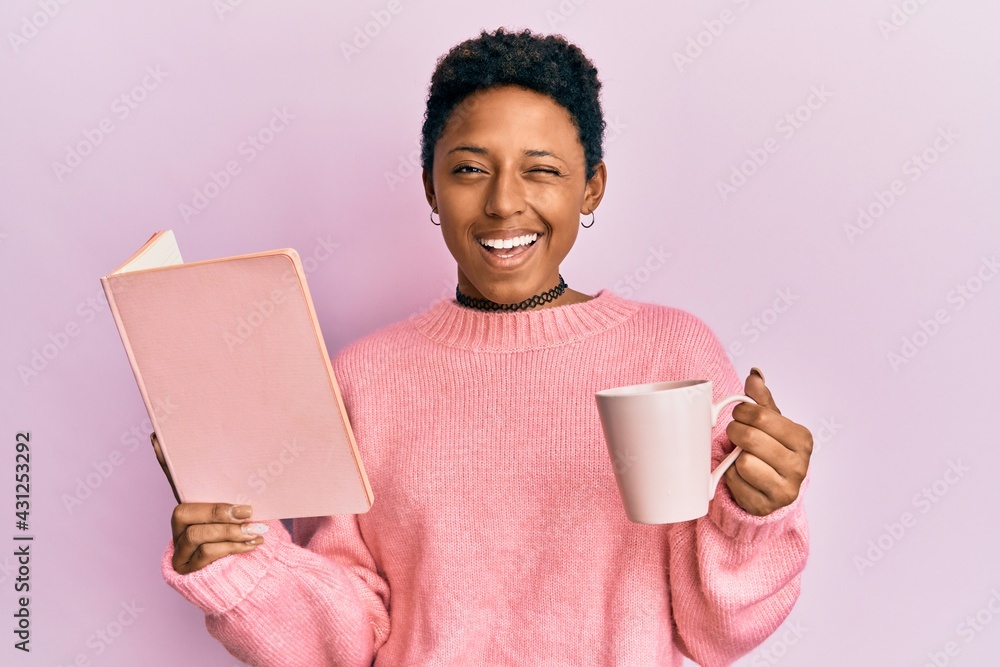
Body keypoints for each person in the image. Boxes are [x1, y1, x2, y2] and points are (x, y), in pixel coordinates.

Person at [160, 26, 812, 667]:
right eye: (470, 169)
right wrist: (239, 561)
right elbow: (347, 639)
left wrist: (751, 512)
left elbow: (717, 633)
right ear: (430, 187)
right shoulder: (363, 378)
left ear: (591, 186)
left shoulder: (672, 353)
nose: (504, 202)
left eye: (542, 170)